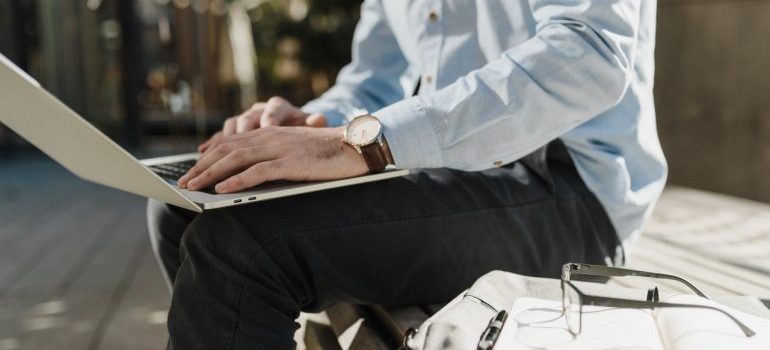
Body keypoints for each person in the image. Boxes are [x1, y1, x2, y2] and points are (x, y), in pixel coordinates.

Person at [147, 1, 667, 349]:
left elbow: (590, 55)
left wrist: (369, 142)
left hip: (568, 190)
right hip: (445, 168)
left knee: (243, 245)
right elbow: (374, 83)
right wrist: (310, 123)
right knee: (185, 203)